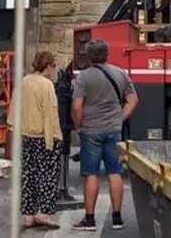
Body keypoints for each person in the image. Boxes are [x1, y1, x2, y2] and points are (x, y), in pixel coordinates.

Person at [71, 40, 137, 231]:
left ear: (89, 56)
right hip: (113, 130)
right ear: (107, 54)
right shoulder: (120, 73)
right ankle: (117, 219)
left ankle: (90, 219)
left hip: (91, 130)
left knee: (91, 173)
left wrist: (78, 127)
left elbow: (76, 106)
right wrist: (119, 119)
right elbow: (132, 100)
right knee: (114, 172)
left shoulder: (83, 77)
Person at [20, 51, 64, 230]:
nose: (53, 71)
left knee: (28, 175)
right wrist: (53, 139)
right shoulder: (46, 85)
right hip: (44, 136)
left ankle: (29, 216)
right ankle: (42, 213)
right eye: (53, 66)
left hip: (26, 136)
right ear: (48, 66)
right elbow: (49, 114)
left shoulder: (24, 82)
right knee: (47, 176)